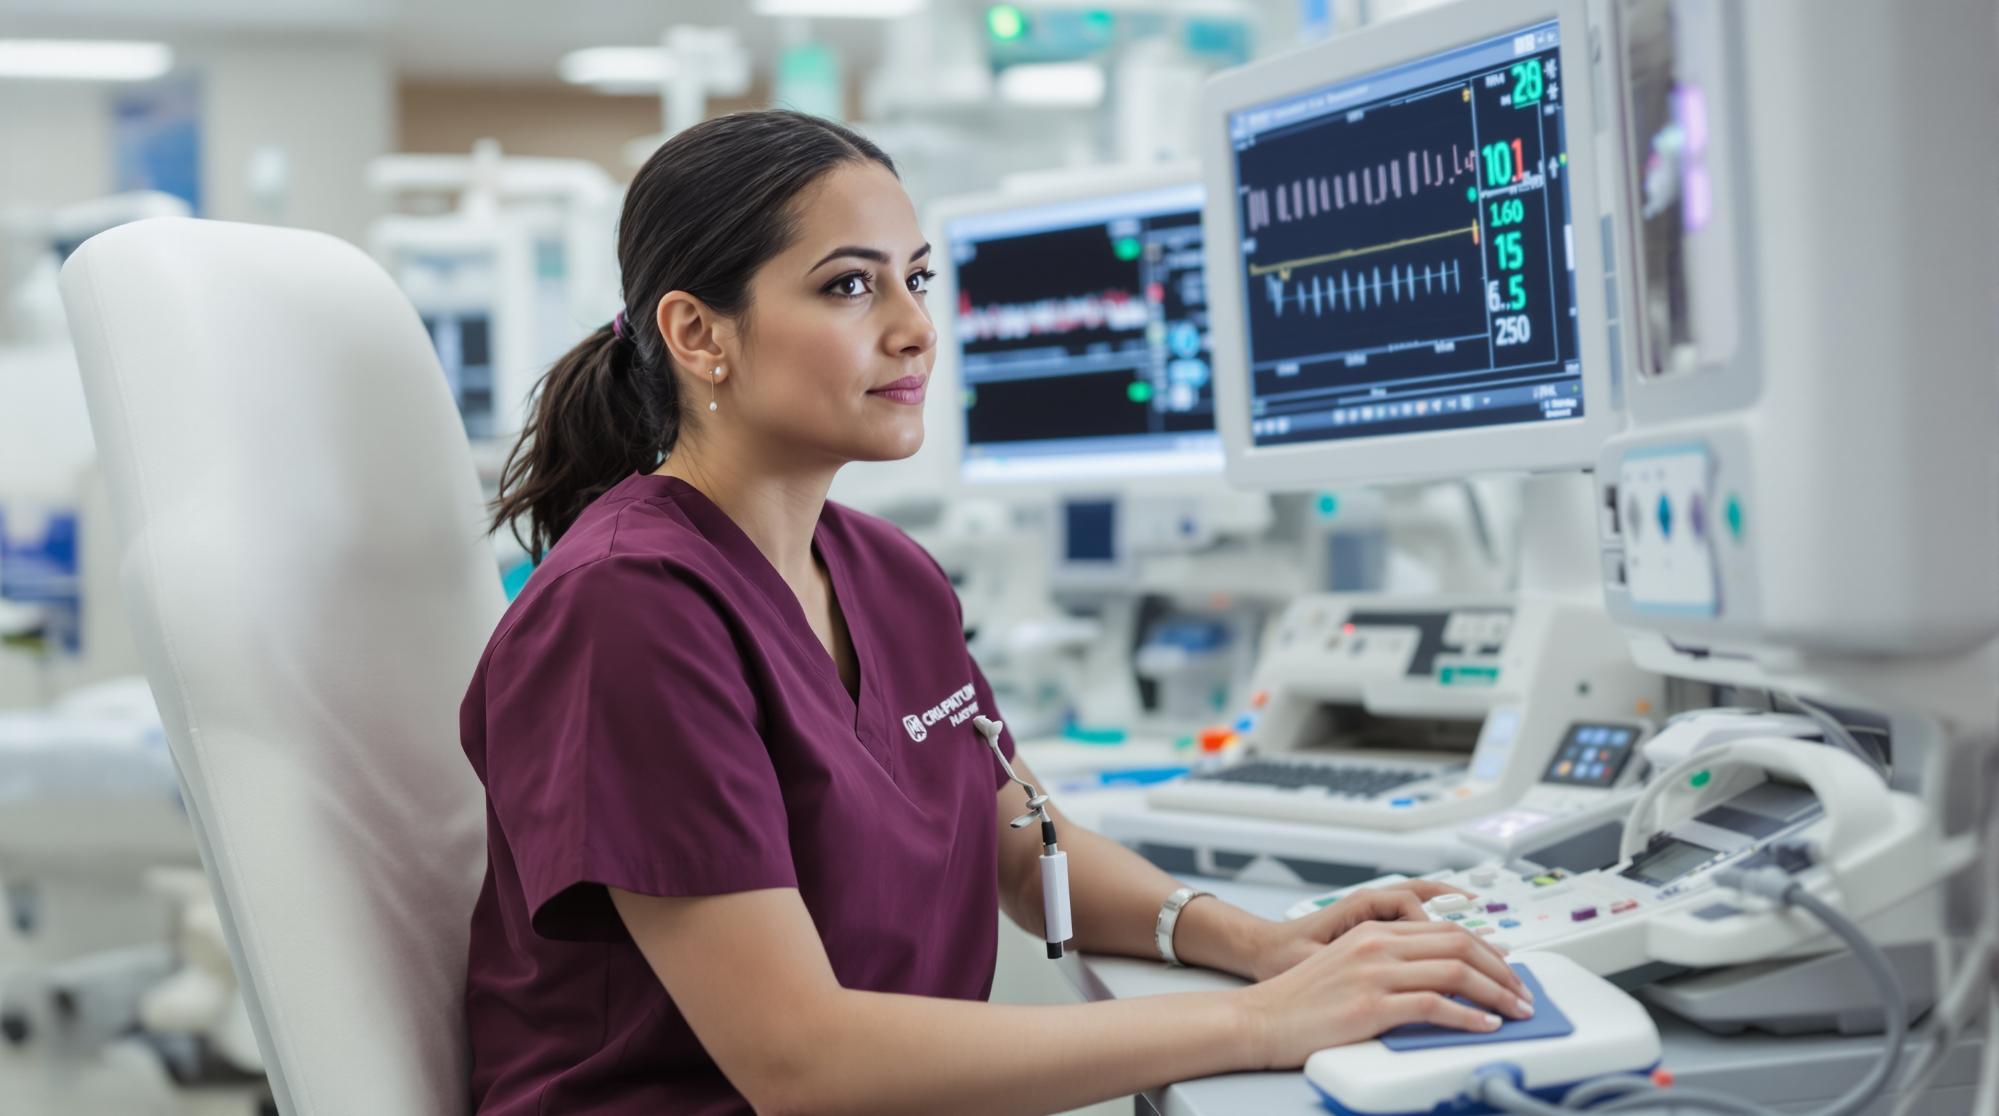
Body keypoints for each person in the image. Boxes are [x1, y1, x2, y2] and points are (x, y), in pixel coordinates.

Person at [461, 109, 1532, 1116]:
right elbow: (798, 1060)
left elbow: (1017, 837)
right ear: (699, 335)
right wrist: (1259, 1023)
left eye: (915, 280)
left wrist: (1258, 944)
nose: (915, 329)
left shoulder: (884, 572)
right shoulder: (629, 609)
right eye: (848, 287)